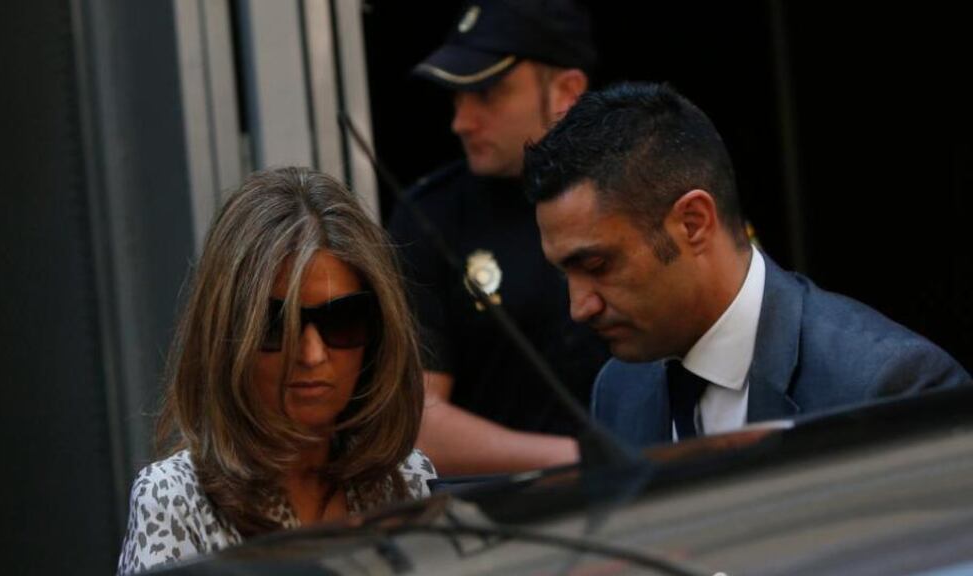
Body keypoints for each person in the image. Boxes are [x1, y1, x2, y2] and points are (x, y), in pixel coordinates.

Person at [524, 81, 971, 449]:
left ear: (693, 223)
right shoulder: (620, 389)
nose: (579, 307)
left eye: (598, 264)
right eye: (566, 273)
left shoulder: (887, 386)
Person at [117, 168, 436, 574]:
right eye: (275, 325)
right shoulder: (174, 498)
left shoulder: (406, 478)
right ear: (228, 335)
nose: (313, 354)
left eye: (343, 320)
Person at [388, 0, 609, 475]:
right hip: (509, 522)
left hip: (672, 503)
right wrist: (580, 461)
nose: (461, 121)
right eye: (457, 97)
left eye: (487, 93)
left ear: (566, 91)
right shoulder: (430, 216)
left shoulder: (639, 192)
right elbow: (414, 423)